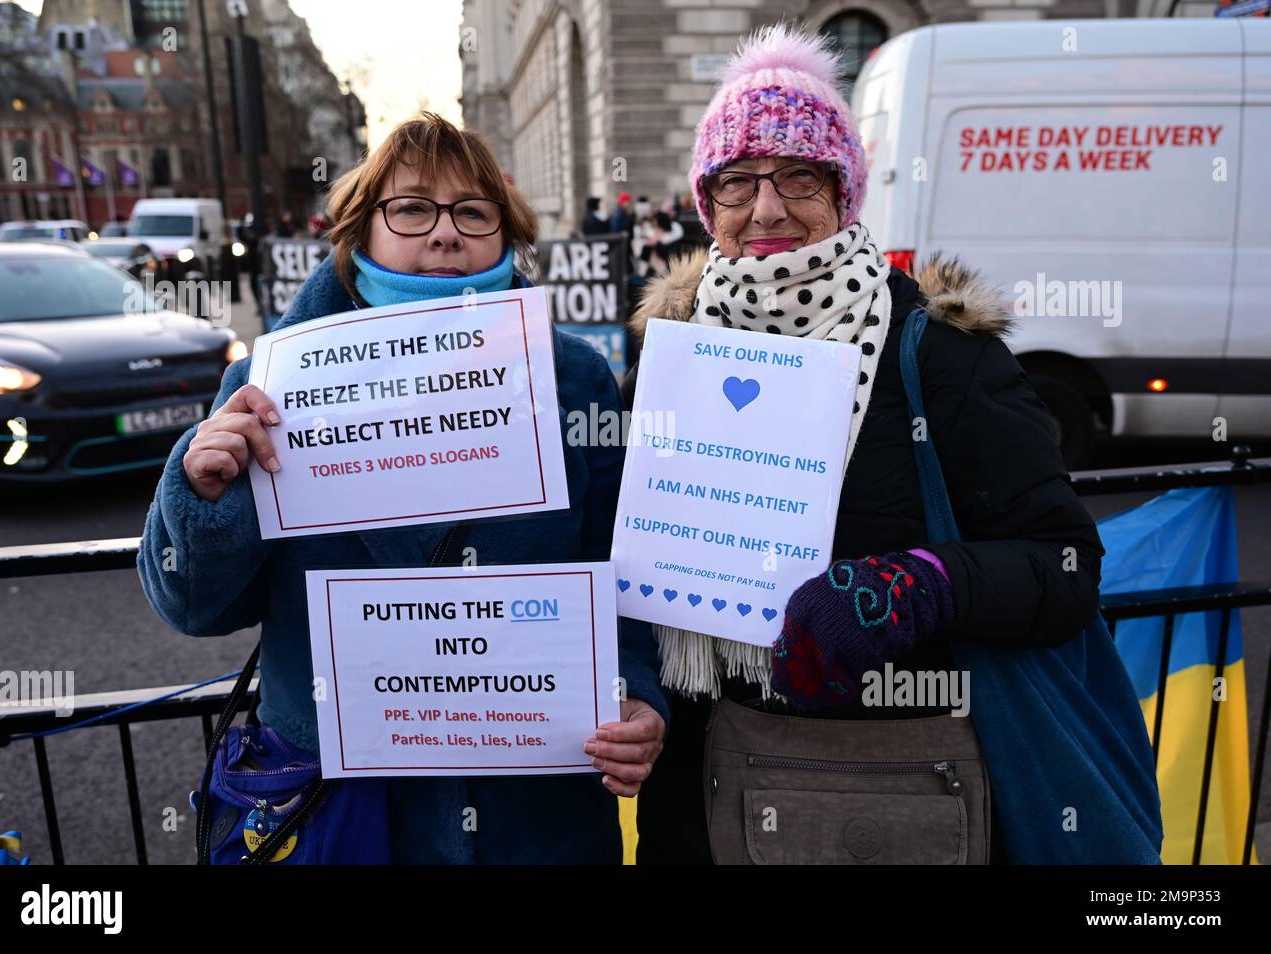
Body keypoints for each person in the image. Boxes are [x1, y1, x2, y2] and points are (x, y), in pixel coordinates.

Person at [622, 23, 1106, 865]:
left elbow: (1062, 567)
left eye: (798, 177)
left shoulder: (940, 354)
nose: (765, 209)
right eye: (735, 182)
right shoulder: (670, 355)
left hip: (897, 789)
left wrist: (916, 583)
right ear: (707, 204)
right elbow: (618, 563)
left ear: (845, 194)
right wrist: (635, 691)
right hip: (704, 800)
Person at [138, 111, 668, 864]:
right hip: (343, 807)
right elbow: (194, 608)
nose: (445, 233)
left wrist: (636, 692)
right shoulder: (265, 385)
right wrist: (201, 489)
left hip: (531, 805)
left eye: (473, 212)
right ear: (362, 230)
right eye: (412, 208)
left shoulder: (575, 377)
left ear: (504, 234)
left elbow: (620, 572)